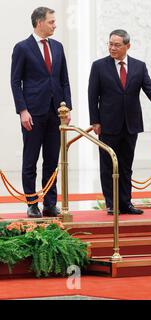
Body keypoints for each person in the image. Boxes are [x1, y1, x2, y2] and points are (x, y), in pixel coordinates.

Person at [88, 29, 151, 215]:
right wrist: (95, 120)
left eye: (117, 45)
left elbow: (149, 87)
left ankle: (126, 203)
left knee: (126, 166)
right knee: (108, 165)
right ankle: (112, 204)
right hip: (108, 124)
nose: (112, 48)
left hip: (131, 124)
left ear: (128, 46)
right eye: (110, 44)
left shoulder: (139, 66)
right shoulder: (99, 66)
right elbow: (92, 95)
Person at [11, 7, 72, 218]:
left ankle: (49, 204)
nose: (55, 25)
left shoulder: (58, 47)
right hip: (33, 113)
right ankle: (32, 203)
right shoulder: (22, 48)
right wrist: (22, 110)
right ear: (39, 22)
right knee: (30, 159)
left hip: (55, 111)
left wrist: (67, 107)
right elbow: (15, 81)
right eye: (51, 21)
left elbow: (64, 80)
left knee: (52, 160)